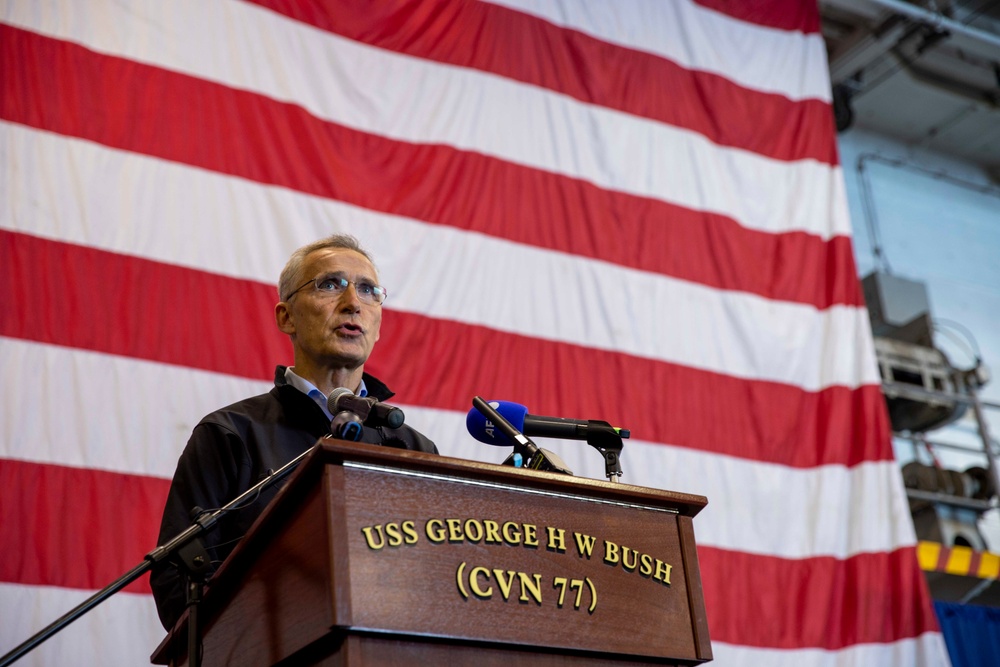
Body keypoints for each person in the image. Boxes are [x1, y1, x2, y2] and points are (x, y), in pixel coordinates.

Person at [150, 234, 437, 631]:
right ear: (286, 317)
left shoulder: (414, 448)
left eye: (369, 291)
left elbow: (437, 580)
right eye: (330, 284)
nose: (354, 302)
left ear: (378, 324)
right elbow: (175, 589)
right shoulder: (231, 435)